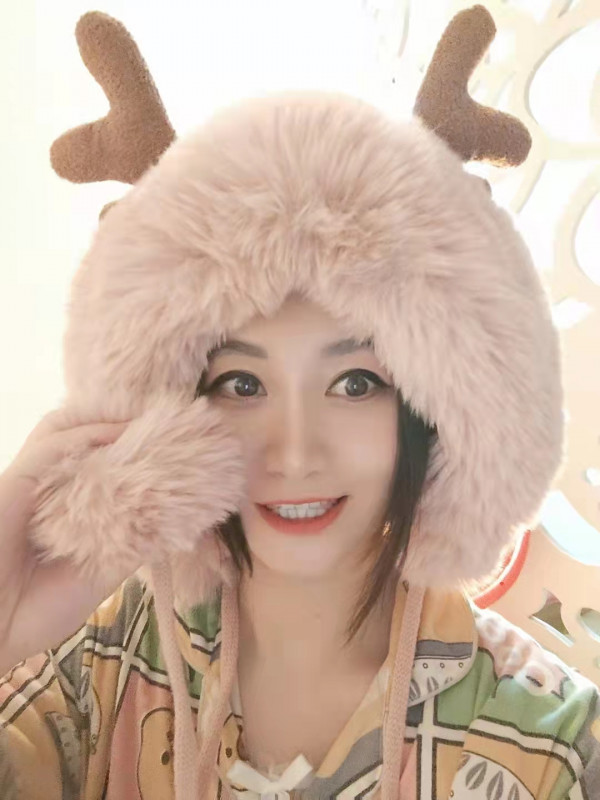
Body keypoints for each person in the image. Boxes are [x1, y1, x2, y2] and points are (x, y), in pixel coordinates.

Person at [1, 6, 599, 800]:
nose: (294, 453)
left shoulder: (552, 743)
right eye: (241, 385)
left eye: (355, 383)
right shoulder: (98, 663)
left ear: (438, 410)